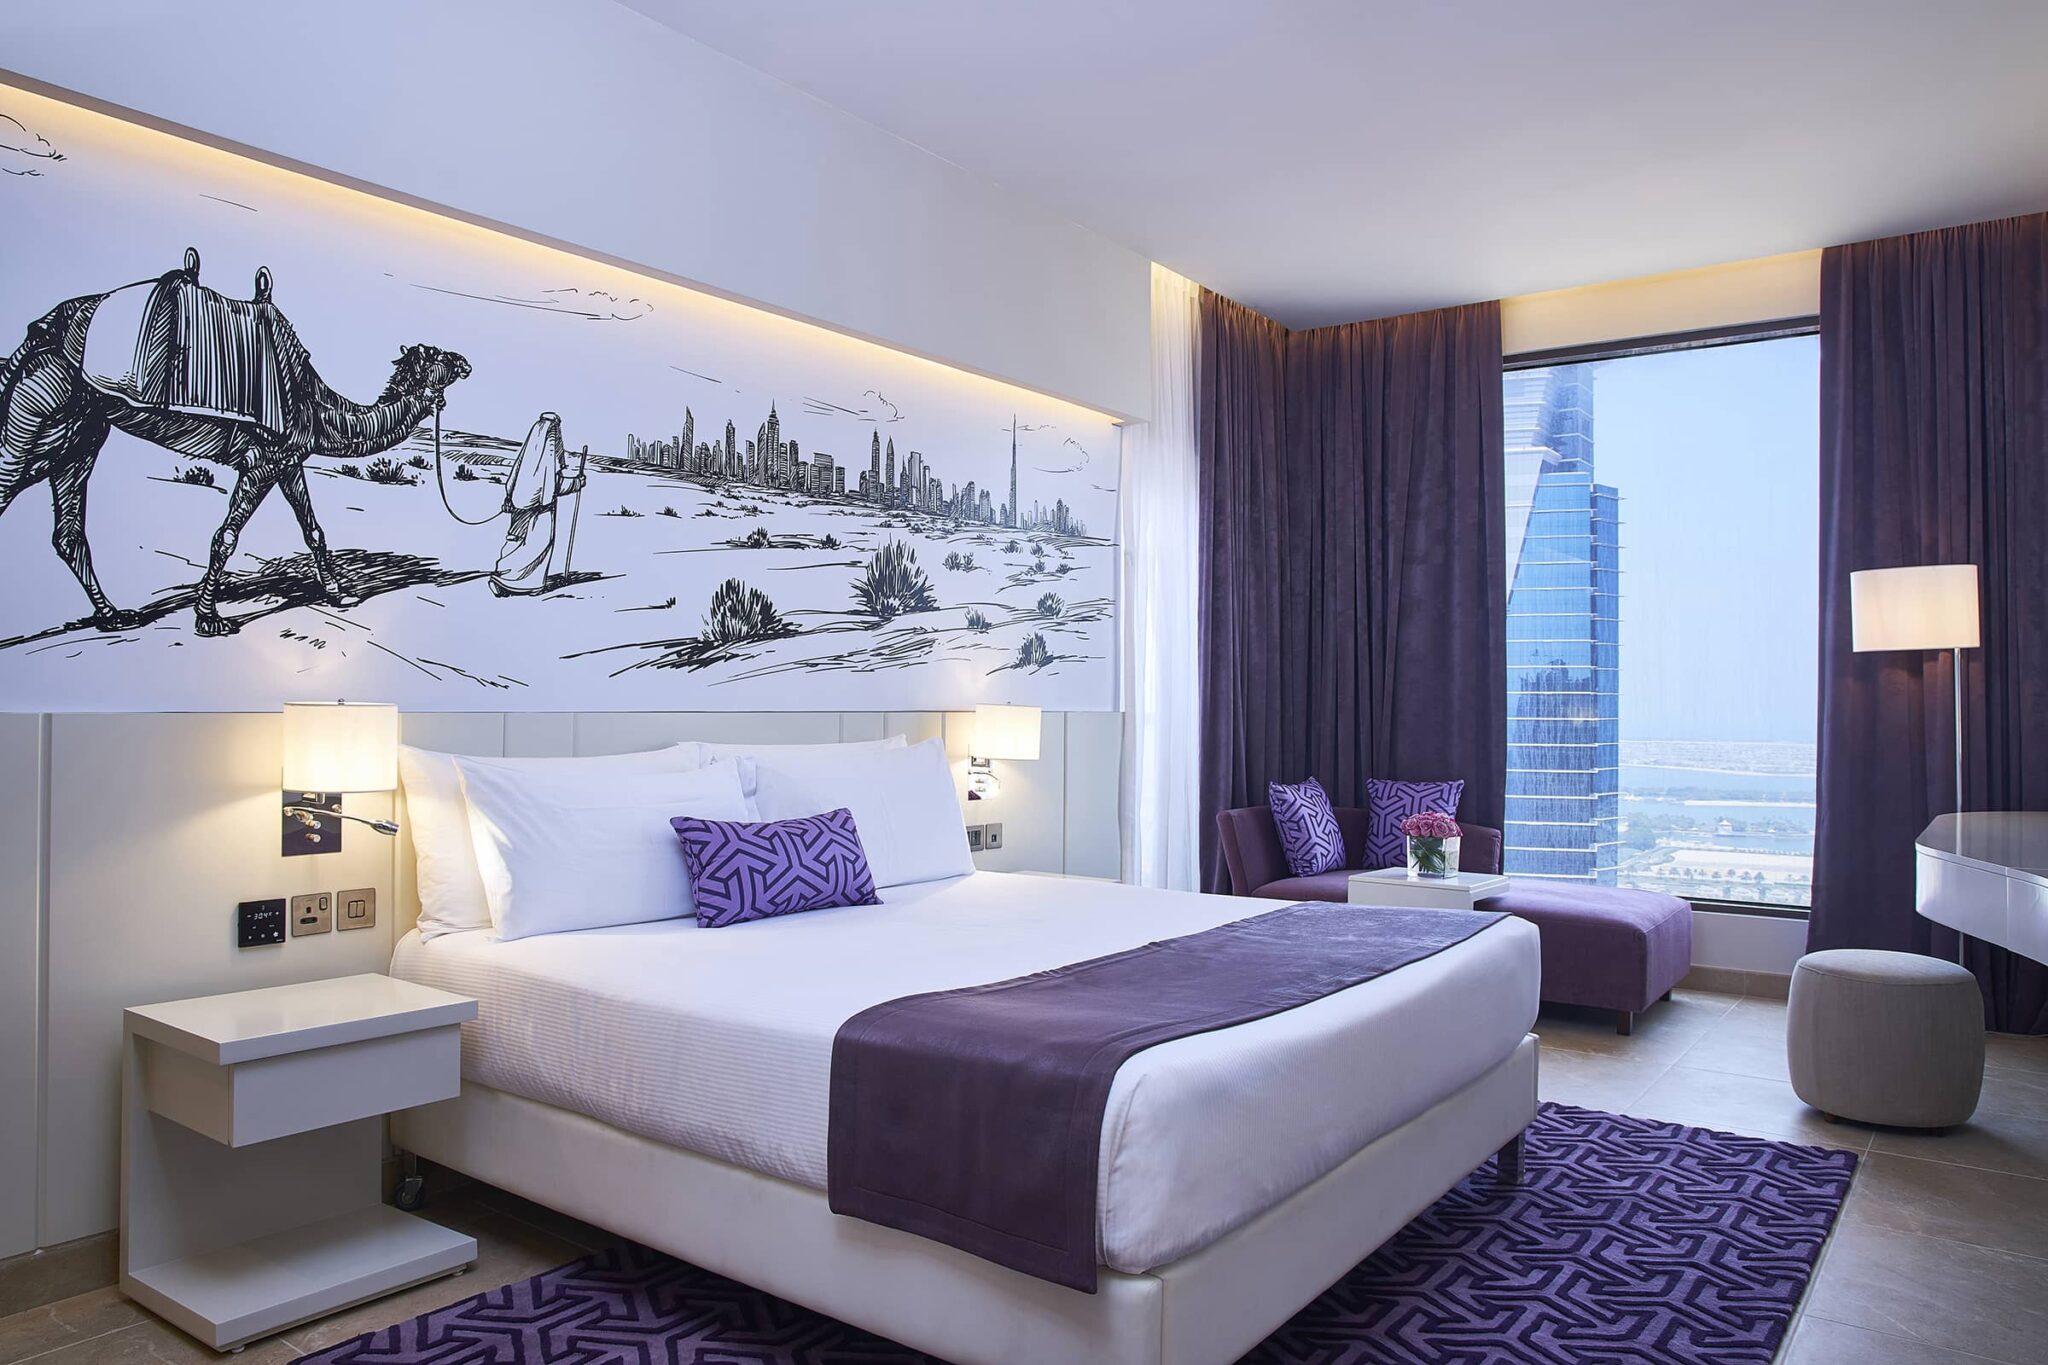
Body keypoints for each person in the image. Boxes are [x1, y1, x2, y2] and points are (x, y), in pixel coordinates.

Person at [490, 411, 585, 597]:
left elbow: (512, 481)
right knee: (535, 545)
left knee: (515, 539)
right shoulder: (548, 454)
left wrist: (508, 499)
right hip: (540, 510)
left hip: (519, 507)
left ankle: (503, 577)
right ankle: (525, 583)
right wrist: (577, 482)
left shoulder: (528, 455)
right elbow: (555, 485)